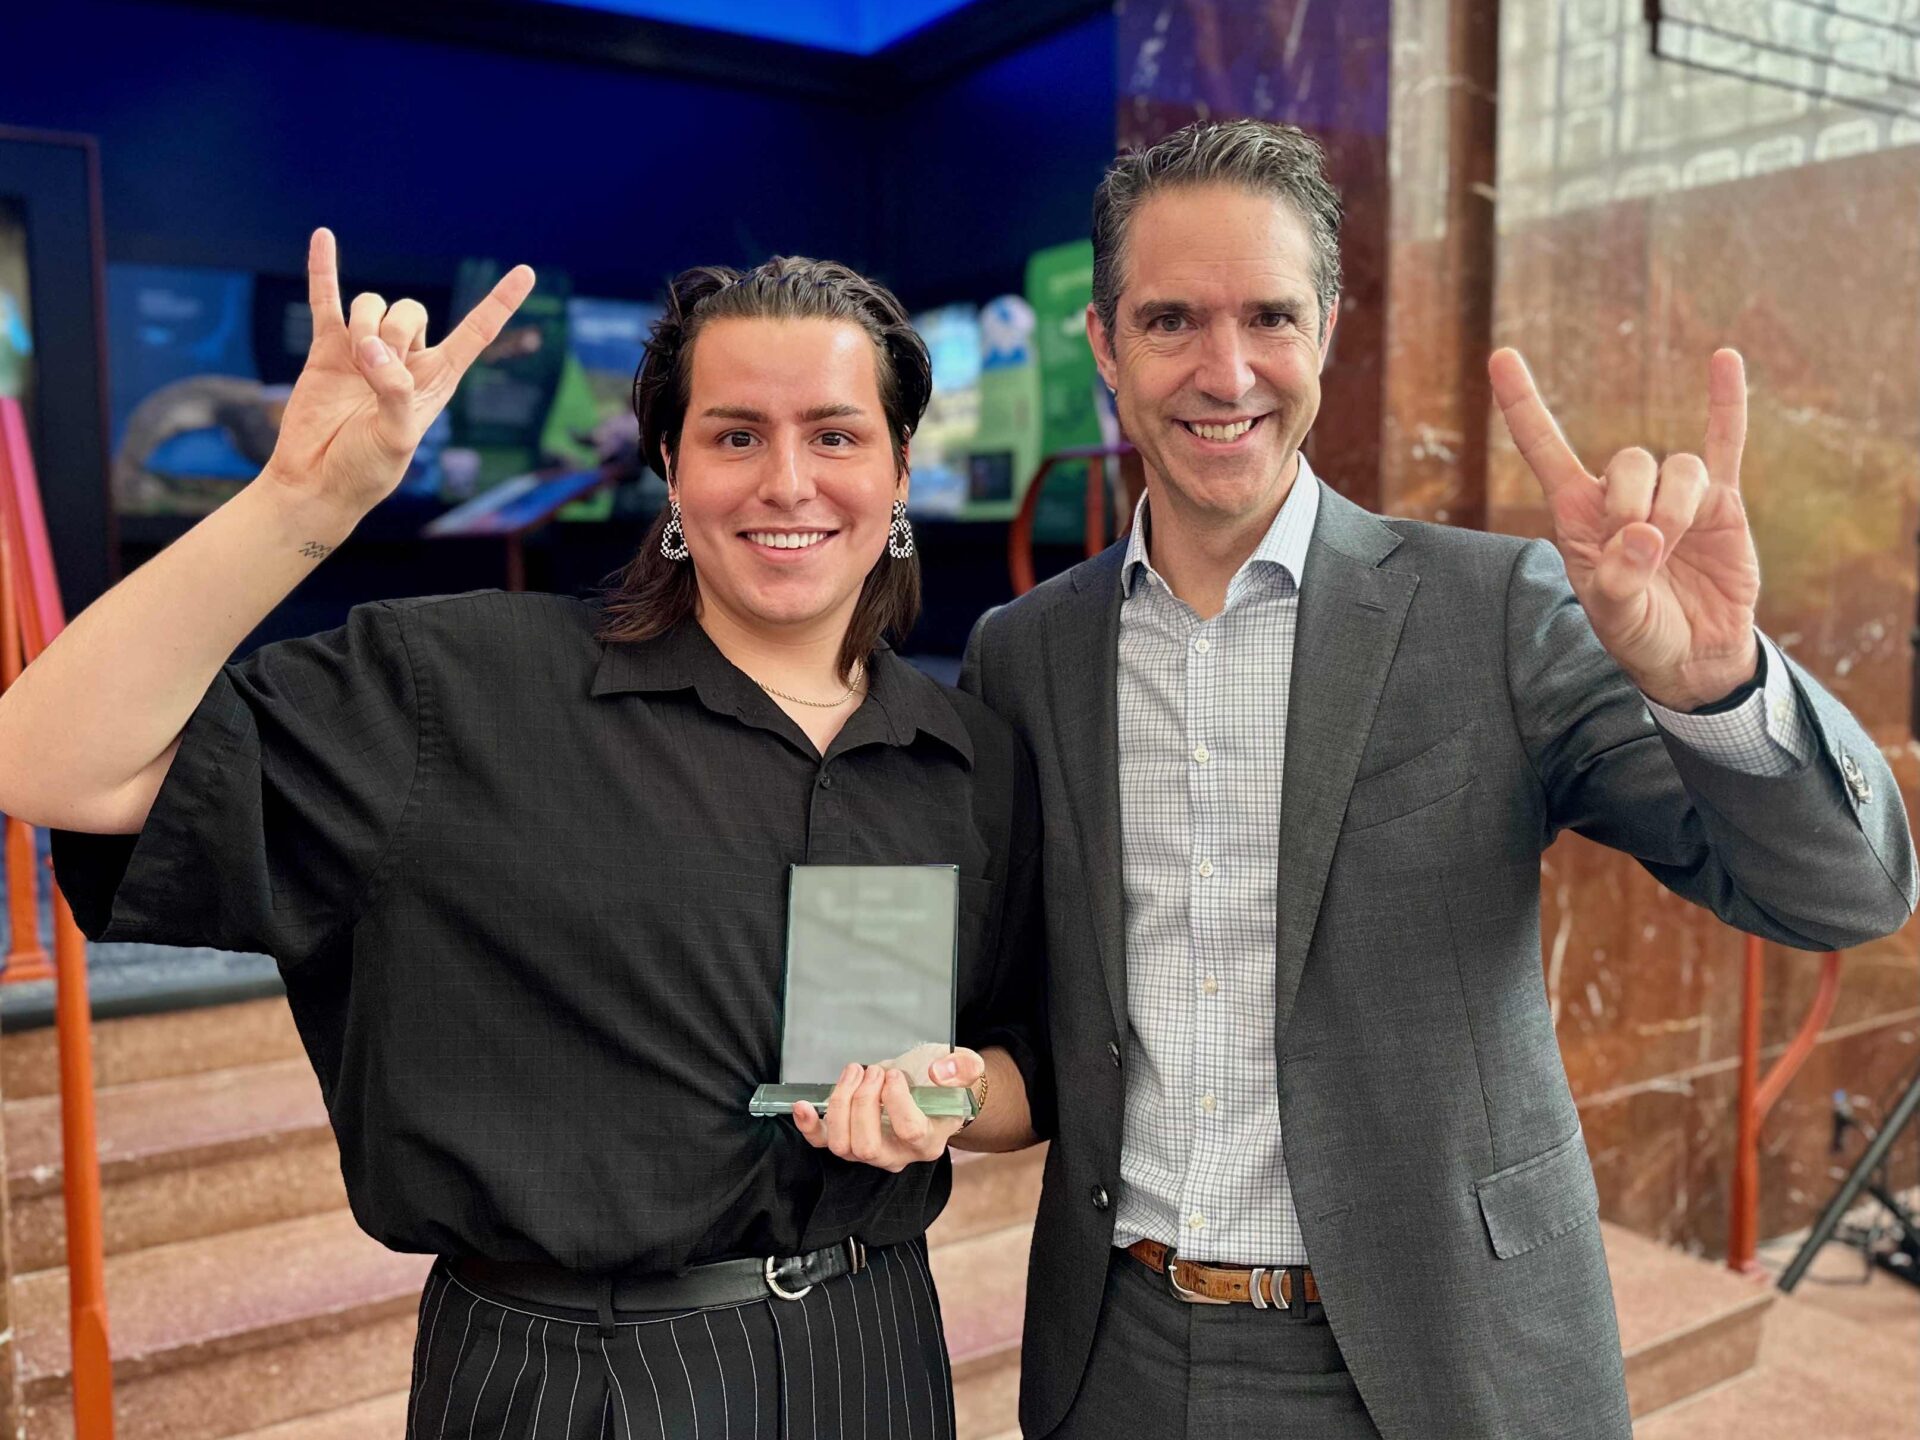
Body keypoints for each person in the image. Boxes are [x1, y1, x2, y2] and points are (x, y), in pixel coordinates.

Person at [951, 120, 1916, 1439]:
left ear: (1331, 327)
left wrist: (1714, 685)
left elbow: (1843, 895)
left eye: (1269, 317)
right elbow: (1036, 1020)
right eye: (1171, 319)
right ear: (1106, 344)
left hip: (1445, 1359)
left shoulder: (1496, 612)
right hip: (1121, 1357)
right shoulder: (1025, 655)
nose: (1224, 370)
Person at [0, 232, 1045, 1437]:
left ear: (901, 468)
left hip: (873, 1357)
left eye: (837, 434)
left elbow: (1027, 1069)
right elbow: (47, 762)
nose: (788, 481)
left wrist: (947, 1100)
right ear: (671, 465)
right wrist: (305, 499)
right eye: (736, 434)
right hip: (565, 1377)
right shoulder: (462, 691)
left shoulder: (967, 760)